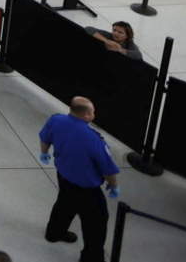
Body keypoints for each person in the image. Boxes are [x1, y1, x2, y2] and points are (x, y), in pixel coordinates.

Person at [39, 96, 119, 262]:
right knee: (96, 223)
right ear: (86, 115)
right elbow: (107, 168)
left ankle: (54, 233)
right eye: (93, 112)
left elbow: (45, 137)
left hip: (63, 176)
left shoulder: (56, 120)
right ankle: (91, 258)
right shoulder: (94, 139)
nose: (94, 115)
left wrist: (44, 153)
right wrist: (113, 185)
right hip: (86, 189)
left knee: (64, 204)